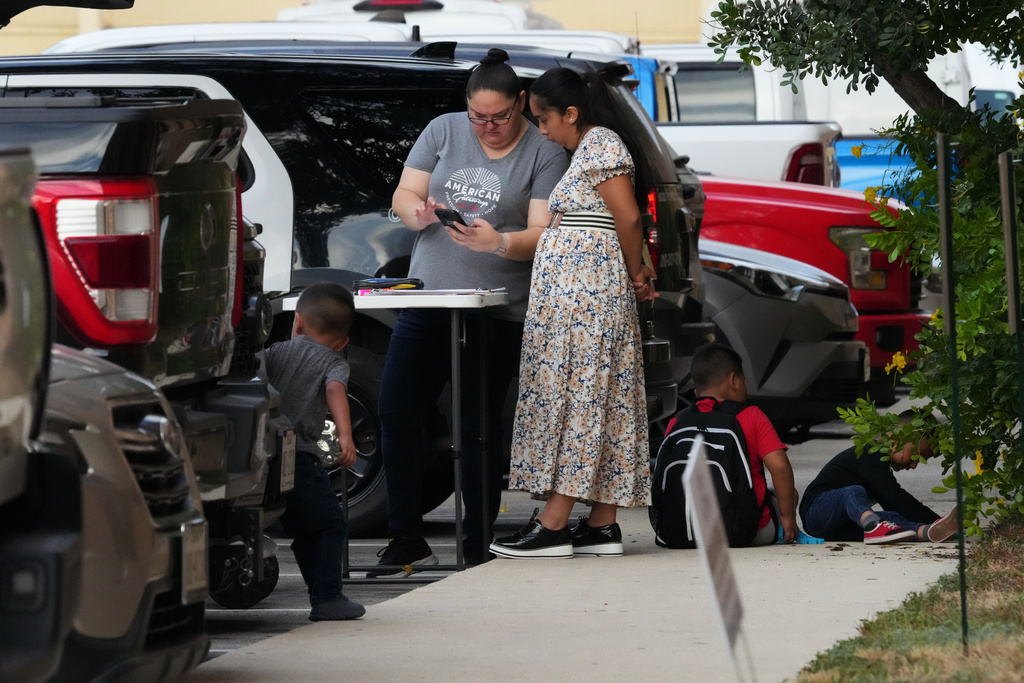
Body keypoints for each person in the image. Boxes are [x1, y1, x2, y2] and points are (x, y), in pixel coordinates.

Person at [371, 48, 569, 575]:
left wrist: (498, 242)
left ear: (520, 104)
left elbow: (541, 232)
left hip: (495, 309)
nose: (489, 128)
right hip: (433, 296)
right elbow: (405, 190)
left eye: (500, 117)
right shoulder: (443, 130)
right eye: (479, 118)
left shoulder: (542, 150)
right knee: (396, 408)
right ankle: (405, 537)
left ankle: (478, 540)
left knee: (478, 424)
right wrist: (414, 212)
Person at [489, 66, 658, 559]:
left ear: (571, 113)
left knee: (580, 392)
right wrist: (638, 266)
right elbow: (621, 219)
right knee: (596, 390)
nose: (540, 130)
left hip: (586, 293)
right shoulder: (586, 147)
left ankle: (555, 522)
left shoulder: (600, 141)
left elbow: (626, 215)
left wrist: (635, 271)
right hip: (580, 289)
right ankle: (602, 521)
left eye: (543, 119)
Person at [263, 282, 365, 621]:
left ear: (298, 321)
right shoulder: (334, 361)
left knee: (306, 527)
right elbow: (335, 390)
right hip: (299, 456)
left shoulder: (275, 351)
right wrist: (346, 437)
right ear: (343, 342)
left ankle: (321, 595)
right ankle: (327, 597)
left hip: (264, 455)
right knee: (328, 525)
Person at [677, 342, 800, 545]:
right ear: (734, 380)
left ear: (697, 392)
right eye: (743, 380)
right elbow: (780, 468)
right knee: (790, 493)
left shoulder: (679, 421)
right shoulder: (751, 416)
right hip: (748, 532)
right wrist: (788, 517)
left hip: (685, 531)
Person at [799, 411, 959, 544]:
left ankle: (926, 531)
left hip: (840, 527)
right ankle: (872, 524)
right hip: (817, 512)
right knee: (853, 492)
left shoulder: (880, 465)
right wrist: (934, 517)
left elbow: (893, 504)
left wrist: (937, 523)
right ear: (901, 438)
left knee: (891, 517)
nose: (914, 465)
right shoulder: (872, 453)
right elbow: (897, 497)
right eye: (918, 455)